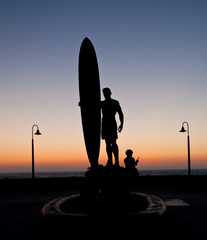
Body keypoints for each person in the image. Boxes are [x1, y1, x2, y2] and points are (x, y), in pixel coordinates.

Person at [101, 88, 124, 167]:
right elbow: (91, 105)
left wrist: (122, 124)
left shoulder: (115, 102)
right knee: (107, 143)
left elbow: (120, 114)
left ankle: (116, 161)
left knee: (113, 143)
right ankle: (110, 161)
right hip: (105, 124)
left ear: (110, 93)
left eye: (106, 93)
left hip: (111, 123)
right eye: (104, 93)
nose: (105, 94)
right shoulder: (102, 103)